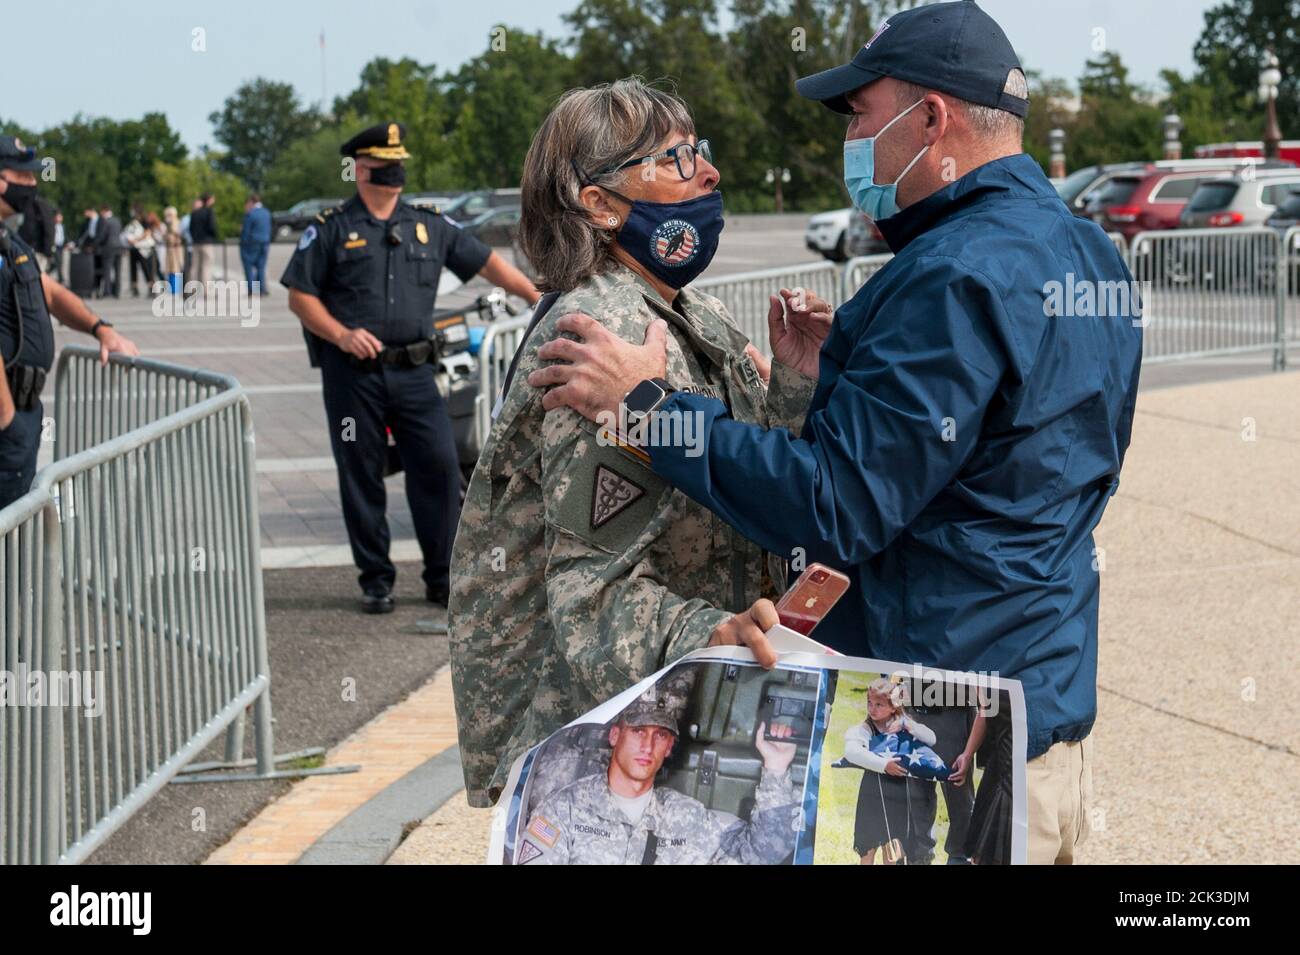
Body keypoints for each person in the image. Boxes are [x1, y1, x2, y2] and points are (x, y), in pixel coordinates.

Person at [528, 0, 1138, 865]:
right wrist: (821, 389)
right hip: (1040, 717)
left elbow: (837, 503)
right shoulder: (1087, 252)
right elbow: (1043, 469)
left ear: (932, 118)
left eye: (860, 112)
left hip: (943, 748)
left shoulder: (952, 275)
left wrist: (652, 408)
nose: (849, 137)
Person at [447, 79, 833, 808]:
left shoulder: (691, 310)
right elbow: (590, 595)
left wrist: (794, 384)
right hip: (610, 745)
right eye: (679, 158)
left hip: (694, 716)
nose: (709, 174)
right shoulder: (602, 336)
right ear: (599, 203)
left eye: (703, 152)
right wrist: (708, 630)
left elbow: (736, 485)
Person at [281, 121, 539, 614]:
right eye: (384, 164)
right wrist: (339, 333)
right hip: (353, 376)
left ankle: (442, 579)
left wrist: (538, 297)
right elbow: (300, 295)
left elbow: (487, 263)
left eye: (399, 163)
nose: (396, 172)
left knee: (439, 468)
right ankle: (375, 580)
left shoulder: (428, 224)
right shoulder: (332, 227)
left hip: (417, 372)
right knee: (360, 472)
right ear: (360, 169)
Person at [520, 672, 800, 864]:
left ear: (669, 748)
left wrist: (776, 767)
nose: (648, 745)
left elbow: (764, 853)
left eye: (660, 735)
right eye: (638, 731)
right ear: (615, 736)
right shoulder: (563, 811)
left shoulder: (686, 818)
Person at [0, 135, 140, 509]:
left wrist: (102, 329)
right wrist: (6, 419)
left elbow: (51, 293)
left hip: (23, 409)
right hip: (6, 419)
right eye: (24, 177)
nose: (32, 185)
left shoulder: (9, 242)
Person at [840, 678, 939, 864]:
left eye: (879, 704)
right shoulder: (867, 727)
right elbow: (851, 751)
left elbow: (931, 738)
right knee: (867, 847)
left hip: (897, 797)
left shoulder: (904, 725)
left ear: (894, 706)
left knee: (892, 849)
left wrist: (908, 725)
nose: (872, 709)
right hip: (872, 795)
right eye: (869, 703)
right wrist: (883, 765)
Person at [240, 193, 271, 294]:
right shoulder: (267, 212)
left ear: (251, 202)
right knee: (261, 267)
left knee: (249, 267)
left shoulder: (251, 214)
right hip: (265, 242)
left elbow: (246, 232)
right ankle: (261, 289)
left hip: (251, 243)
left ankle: (251, 289)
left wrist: (243, 243)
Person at [189, 193, 218, 290]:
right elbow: (212, 227)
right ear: (209, 200)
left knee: (194, 267)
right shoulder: (209, 212)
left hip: (196, 242)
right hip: (206, 242)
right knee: (207, 267)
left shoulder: (195, 212)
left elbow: (191, 228)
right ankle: (206, 290)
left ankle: (191, 289)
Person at [93, 203, 122, 298]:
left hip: (108, 248)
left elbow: (102, 236)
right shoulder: (117, 220)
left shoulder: (105, 221)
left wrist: (94, 244)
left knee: (107, 270)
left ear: (104, 211)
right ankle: (117, 291)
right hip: (118, 247)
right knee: (117, 271)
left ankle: (107, 291)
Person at [161, 205, 184, 289]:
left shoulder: (177, 223)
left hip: (176, 248)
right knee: (170, 268)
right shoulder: (167, 225)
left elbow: (179, 234)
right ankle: (171, 288)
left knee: (176, 268)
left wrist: (171, 229)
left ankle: (176, 288)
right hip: (169, 248)